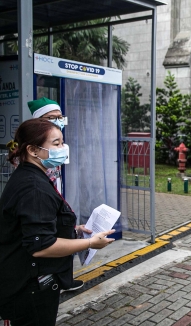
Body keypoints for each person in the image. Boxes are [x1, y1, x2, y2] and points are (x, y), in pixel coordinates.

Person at [0, 118, 115, 326]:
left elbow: (36, 224)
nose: (63, 148)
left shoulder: (31, 175)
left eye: (62, 142)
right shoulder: (33, 188)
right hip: (30, 289)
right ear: (34, 150)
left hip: (28, 284)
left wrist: (73, 229)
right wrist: (90, 243)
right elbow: (41, 246)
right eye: (56, 143)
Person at [28, 97, 87, 292]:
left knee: (63, 232)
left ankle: (63, 281)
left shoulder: (50, 153)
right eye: (52, 117)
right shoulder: (32, 177)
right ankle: (53, 282)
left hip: (55, 200)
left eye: (60, 117)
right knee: (52, 239)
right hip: (44, 207)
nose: (58, 120)